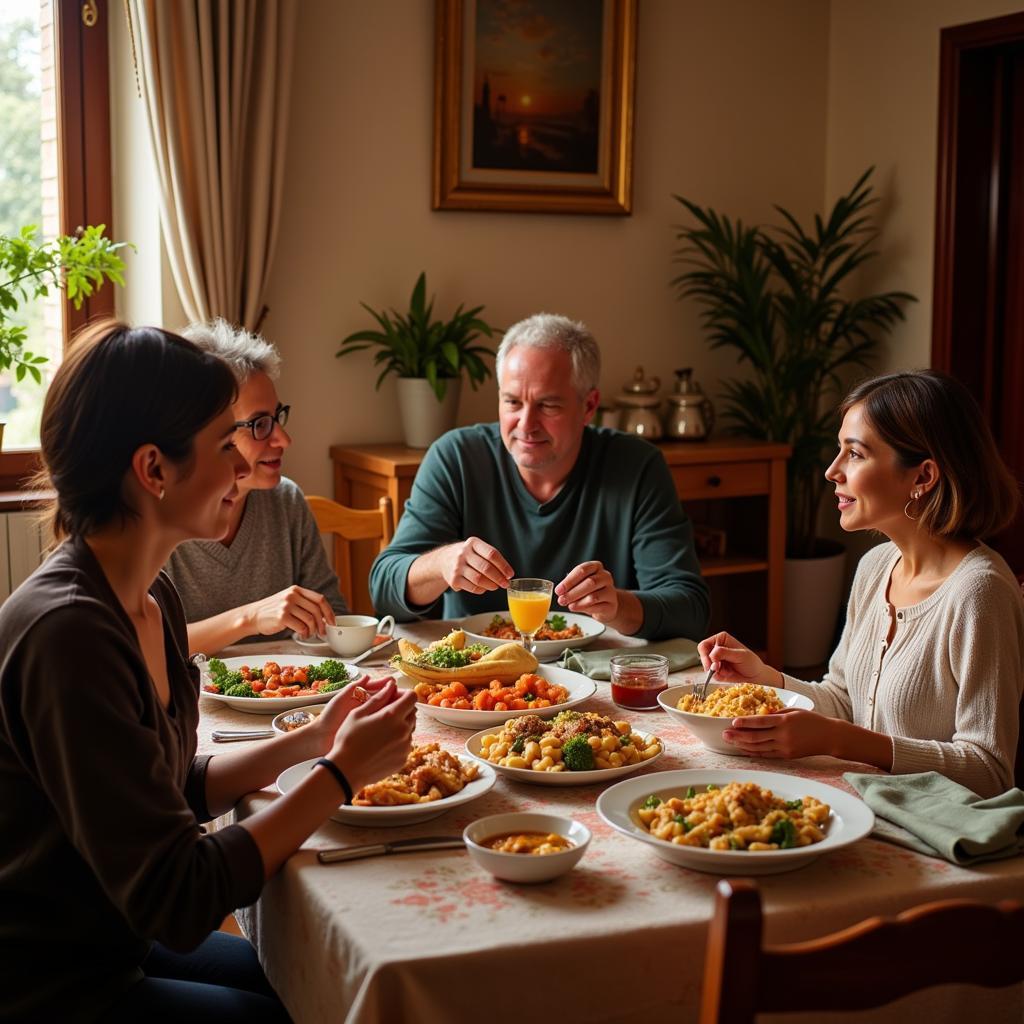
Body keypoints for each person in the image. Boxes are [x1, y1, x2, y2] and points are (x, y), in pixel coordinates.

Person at [0, 321, 417, 1020]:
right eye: (226, 444)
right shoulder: (68, 634)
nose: (242, 466)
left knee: (309, 977)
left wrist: (316, 736)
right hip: (49, 981)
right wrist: (339, 777)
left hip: (110, 938)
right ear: (153, 471)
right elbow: (181, 898)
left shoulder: (150, 596)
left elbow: (167, 791)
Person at [699, 369, 1024, 798]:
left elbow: (990, 771)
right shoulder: (875, 567)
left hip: (930, 840)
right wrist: (766, 678)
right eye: (840, 451)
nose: (833, 471)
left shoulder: (979, 593)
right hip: (863, 807)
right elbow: (844, 700)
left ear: (923, 477)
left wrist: (841, 741)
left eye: (855, 454)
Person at [370, 313, 710, 641]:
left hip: (598, 670)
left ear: (589, 406)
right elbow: (383, 591)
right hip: (478, 680)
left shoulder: (637, 466)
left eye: (548, 406)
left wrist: (618, 606)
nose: (526, 424)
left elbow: (691, 609)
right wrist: (441, 564)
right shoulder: (456, 457)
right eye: (513, 402)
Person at [165, 319, 347, 654]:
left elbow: (333, 616)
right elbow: (144, 647)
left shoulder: (286, 500)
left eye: (277, 418)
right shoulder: (159, 517)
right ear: (207, 430)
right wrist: (250, 618)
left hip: (287, 699)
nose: (284, 439)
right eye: (260, 424)